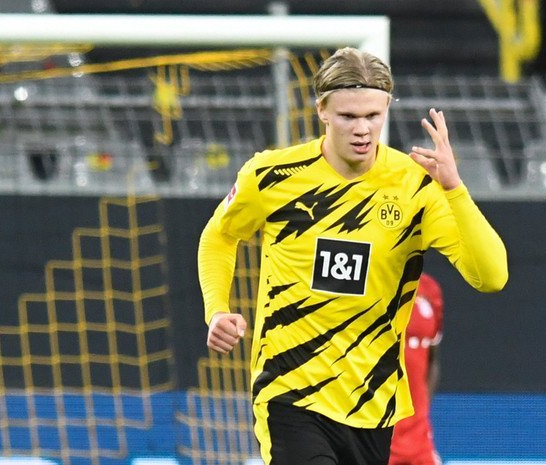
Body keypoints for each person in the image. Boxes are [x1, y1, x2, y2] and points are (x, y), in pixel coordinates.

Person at [197, 47, 508, 465]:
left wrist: (454, 189)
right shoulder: (272, 176)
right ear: (322, 110)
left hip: (372, 404)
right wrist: (216, 309)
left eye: (372, 116)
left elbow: (492, 276)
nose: (362, 129)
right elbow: (218, 235)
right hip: (290, 393)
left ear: (387, 109)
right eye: (348, 116)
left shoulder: (416, 186)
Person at [389, 273, 444, 465]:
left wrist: (421, 414)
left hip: (419, 437)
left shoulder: (430, 289)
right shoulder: (373, 282)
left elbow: (432, 360)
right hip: (378, 431)